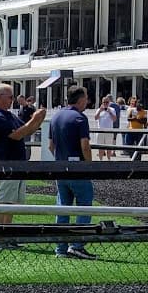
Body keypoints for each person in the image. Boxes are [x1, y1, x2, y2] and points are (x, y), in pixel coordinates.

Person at [0, 83, 47, 249]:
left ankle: (8, 236)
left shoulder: (9, 115)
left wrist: (38, 118)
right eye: (10, 96)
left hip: (17, 164)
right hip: (6, 164)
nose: (13, 100)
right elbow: (17, 134)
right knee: (3, 203)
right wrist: (35, 119)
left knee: (12, 203)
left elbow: (27, 130)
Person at [49, 86, 96, 260]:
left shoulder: (56, 117)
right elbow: (85, 144)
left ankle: (60, 248)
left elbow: (50, 145)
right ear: (80, 99)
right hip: (77, 168)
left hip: (60, 167)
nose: (87, 101)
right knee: (84, 205)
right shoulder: (80, 118)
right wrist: (89, 165)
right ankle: (77, 245)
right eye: (86, 98)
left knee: (62, 207)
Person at [94, 96, 118, 160]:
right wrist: (100, 111)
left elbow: (114, 119)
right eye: (104, 102)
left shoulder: (112, 110)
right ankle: (100, 160)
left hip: (109, 131)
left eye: (107, 102)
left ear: (109, 102)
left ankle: (109, 159)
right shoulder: (99, 109)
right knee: (100, 147)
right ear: (101, 103)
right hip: (100, 131)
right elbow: (95, 118)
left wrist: (109, 112)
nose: (105, 104)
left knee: (109, 147)